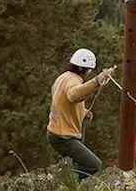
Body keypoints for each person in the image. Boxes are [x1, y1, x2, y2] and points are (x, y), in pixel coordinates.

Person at [47, 48, 116, 181]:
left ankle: (65, 182)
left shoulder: (64, 77)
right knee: (94, 164)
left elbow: (61, 100)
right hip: (63, 137)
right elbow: (73, 95)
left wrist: (82, 112)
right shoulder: (73, 81)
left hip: (57, 133)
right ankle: (61, 181)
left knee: (78, 164)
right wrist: (96, 81)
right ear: (86, 69)